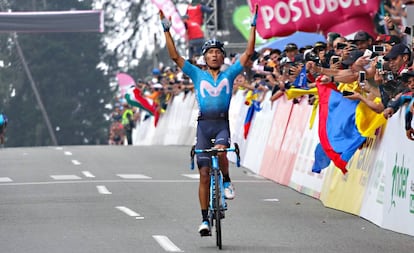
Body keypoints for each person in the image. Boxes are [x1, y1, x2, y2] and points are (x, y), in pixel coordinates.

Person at [160, 4, 258, 236]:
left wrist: (253, 26)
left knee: (222, 150)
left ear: (223, 56)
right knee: (203, 174)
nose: (214, 55)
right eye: (210, 52)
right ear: (204, 57)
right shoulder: (196, 73)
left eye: (218, 52)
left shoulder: (230, 73)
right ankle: (204, 220)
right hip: (204, 125)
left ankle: (225, 179)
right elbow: (174, 56)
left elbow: (249, 52)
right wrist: (166, 30)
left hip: (221, 123)